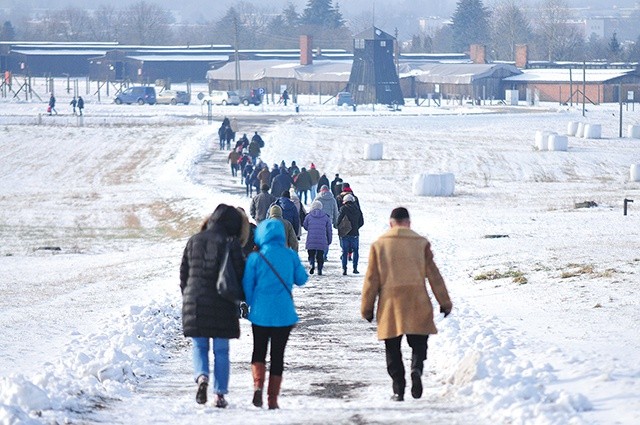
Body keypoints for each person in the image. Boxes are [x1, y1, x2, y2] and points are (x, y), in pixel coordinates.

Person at [361, 207, 452, 402]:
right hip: (417, 300)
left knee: (392, 348)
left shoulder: (379, 245)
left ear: (391, 223)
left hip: (390, 303)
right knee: (419, 343)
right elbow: (434, 275)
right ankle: (417, 369)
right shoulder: (421, 243)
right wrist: (445, 302)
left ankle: (398, 389)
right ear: (409, 223)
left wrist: (367, 308)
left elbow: (371, 280)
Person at [179, 204, 246, 408]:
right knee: (221, 350)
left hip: (195, 299)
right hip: (222, 302)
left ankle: (201, 378)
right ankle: (219, 394)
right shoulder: (230, 242)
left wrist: (188, 296)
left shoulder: (194, 240)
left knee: (199, 346)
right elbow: (240, 273)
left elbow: (184, 273)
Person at [242, 219, 308, 409]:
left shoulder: (255, 258)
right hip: (284, 314)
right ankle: (272, 399)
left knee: (258, 351)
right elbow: (302, 279)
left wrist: (253, 301)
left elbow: (247, 287)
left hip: (260, 313)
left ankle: (257, 386)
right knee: (278, 355)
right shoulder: (290, 256)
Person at [302, 200, 332, 275]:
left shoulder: (309, 216)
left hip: (311, 239)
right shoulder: (326, 217)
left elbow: (305, 226)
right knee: (320, 255)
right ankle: (319, 269)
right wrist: (329, 240)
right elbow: (329, 230)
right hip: (322, 240)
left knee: (311, 253)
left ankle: (312, 263)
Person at [336, 194, 364, 275]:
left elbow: (338, 221)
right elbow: (361, 222)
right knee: (356, 251)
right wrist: (356, 227)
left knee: (344, 252)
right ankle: (355, 268)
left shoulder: (343, 208)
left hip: (345, 233)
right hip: (355, 233)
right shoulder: (357, 209)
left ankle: (344, 269)